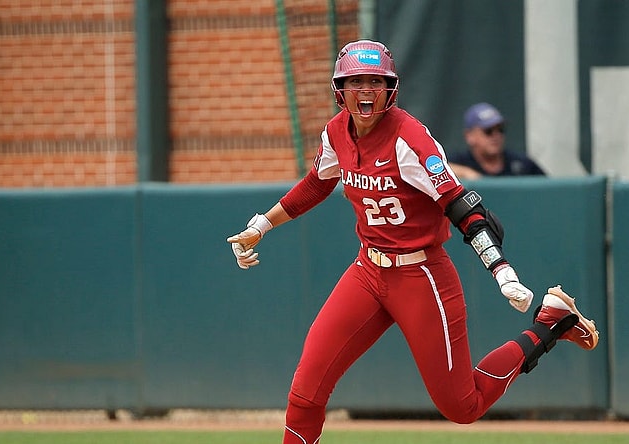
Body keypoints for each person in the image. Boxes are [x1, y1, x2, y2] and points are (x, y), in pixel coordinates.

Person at [227, 40, 598, 443]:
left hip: (421, 275)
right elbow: (317, 183)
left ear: (390, 88)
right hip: (368, 270)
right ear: (340, 88)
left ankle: (551, 323)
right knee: (306, 389)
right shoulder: (336, 132)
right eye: (357, 82)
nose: (366, 91)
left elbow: (464, 207)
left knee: (462, 406)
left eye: (375, 81)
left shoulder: (410, 138)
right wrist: (262, 224)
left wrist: (501, 269)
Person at [449, 102, 546, 179]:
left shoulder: (521, 164)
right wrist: (465, 173)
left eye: (500, 129)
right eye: (488, 131)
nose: (496, 136)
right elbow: (438, 170)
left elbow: (548, 188)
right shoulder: (461, 162)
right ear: (469, 136)